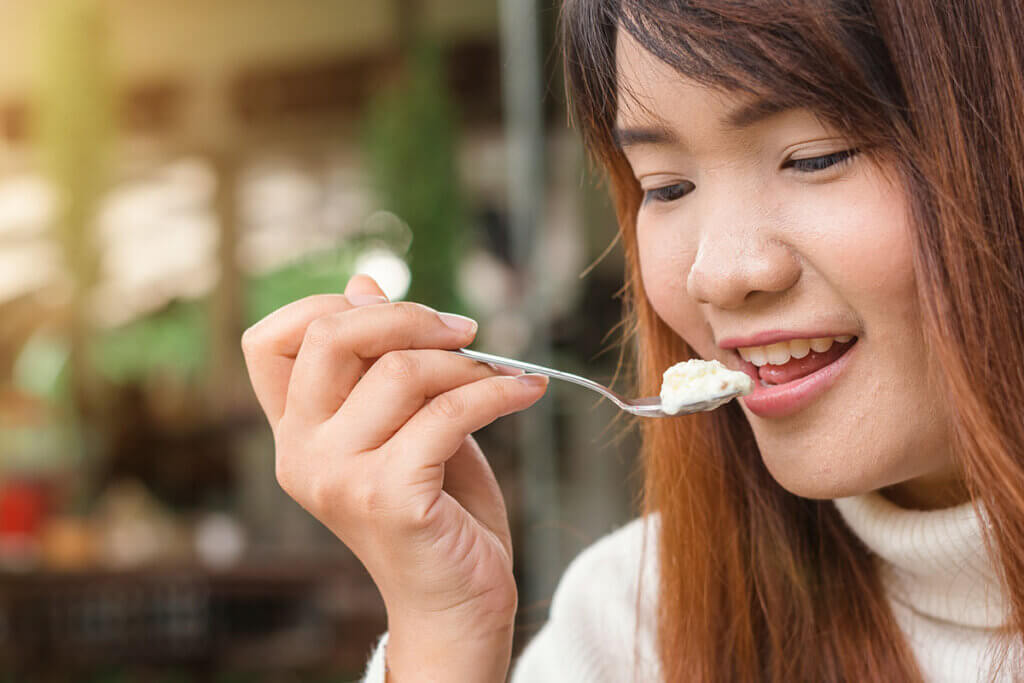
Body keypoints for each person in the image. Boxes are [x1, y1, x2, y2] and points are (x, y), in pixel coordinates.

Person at [240, 0, 1024, 680]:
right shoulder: (634, 628)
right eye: (666, 187)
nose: (718, 274)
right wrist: (444, 640)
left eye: (815, 156)